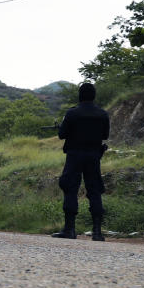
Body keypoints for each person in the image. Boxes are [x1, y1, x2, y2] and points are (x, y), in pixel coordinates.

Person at [52, 82, 110, 241]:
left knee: (70, 188)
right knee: (95, 190)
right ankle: (97, 232)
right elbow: (105, 135)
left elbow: (62, 135)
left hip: (74, 155)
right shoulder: (102, 114)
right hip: (93, 156)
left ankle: (69, 230)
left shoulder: (72, 114)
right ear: (94, 96)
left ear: (80, 95)